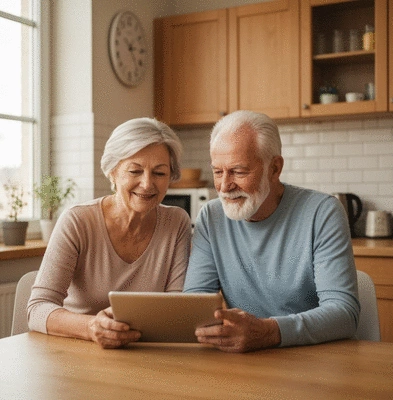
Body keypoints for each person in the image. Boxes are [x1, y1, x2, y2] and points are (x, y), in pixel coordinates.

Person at [183, 110, 360, 353]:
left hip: (314, 357)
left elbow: (344, 314)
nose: (224, 186)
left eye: (238, 171)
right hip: (244, 360)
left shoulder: (322, 212)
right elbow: (194, 306)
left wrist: (268, 332)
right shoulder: (211, 217)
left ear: (275, 168)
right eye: (217, 171)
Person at [28, 118, 192, 348]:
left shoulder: (176, 222)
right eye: (135, 170)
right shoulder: (77, 221)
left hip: (145, 352)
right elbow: (37, 309)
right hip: (76, 352)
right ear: (112, 172)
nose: (147, 184)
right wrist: (91, 327)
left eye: (159, 173)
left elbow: (176, 306)